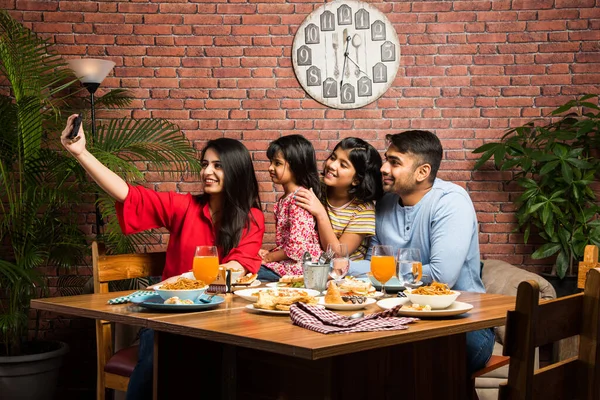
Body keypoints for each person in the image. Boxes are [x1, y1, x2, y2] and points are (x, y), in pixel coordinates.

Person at [60, 115, 265, 400]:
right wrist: (82, 153)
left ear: (237, 171)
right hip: (168, 316)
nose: (208, 171)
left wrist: (204, 277)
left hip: (220, 320)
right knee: (153, 366)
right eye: (205, 164)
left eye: (218, 166)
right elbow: (128, 194)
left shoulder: (251, 218)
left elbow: (239, 264)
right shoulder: (183, 207)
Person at [370, 130, 493, 375]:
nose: (383, 168)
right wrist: (352, 269)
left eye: (394, 162)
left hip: (462, 322)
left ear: (422, 172)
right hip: (400, 315)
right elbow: (371, 267)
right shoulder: (385, 203)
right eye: (386, 159)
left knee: (408, 364)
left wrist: (366, 270)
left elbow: (442, 275)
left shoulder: (451, 202)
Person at [294, 137, 383, 263]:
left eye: (343, 165)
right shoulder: (316, 188)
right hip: (312, 265)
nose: (331, 165)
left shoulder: (363, 209)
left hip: (346, 276)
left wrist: (320, 213)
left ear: (357, 179)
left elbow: (337, 255)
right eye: (333, 157)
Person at [258, 135, 322, 281]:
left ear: (296, 166)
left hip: (302, 267)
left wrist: (269, 257)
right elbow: (287, 244)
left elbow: (297, 247)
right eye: (271, 162)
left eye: (277, 163)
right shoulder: (285, 199)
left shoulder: (300, 199)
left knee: (253, 271)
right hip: (290, 262)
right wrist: (269, 253)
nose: (270, 168)